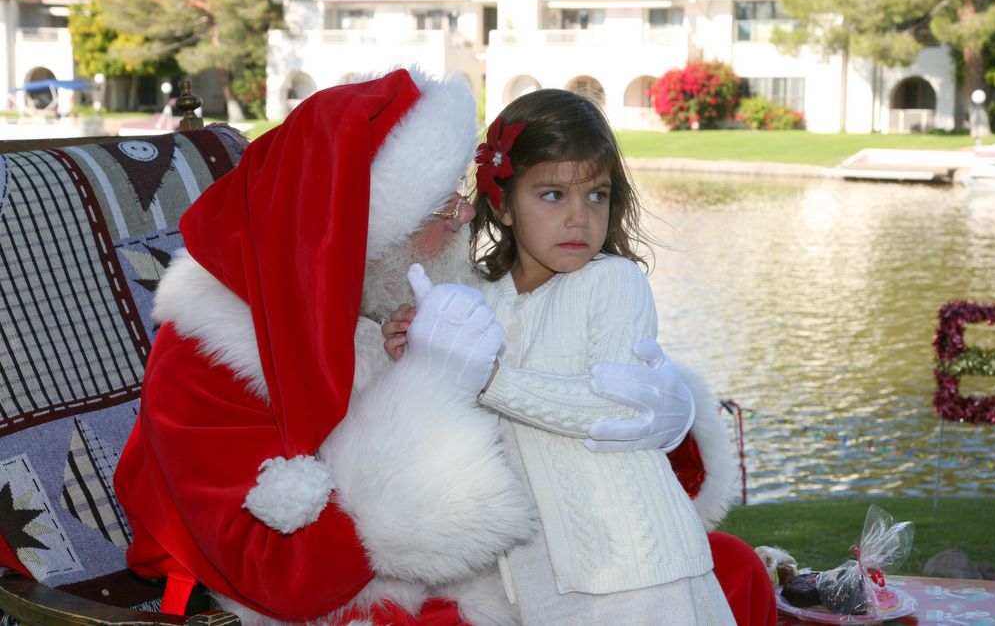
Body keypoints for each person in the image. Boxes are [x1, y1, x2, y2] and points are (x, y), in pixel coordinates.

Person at [113, 67, 704, 626]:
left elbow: (544, 411)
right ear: (354, 229)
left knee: (713, 570)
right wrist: (431, 386)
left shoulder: (391, 296)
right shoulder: (210, 354)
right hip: (326, 604)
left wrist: (663, 414)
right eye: (441, 204)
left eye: (458, 195)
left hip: (493, 570)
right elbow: (283, 573)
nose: (467, 213)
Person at [384, 89, 734, 625]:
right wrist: (422, 358)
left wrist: (485, 376)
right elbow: (463, 428)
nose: (579, 218)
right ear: (501, 203)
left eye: (597, 195)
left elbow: (613, 408)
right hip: (539, 583)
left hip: (642, 568)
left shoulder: (615, 282)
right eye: (552, 195)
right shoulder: (482, 299)